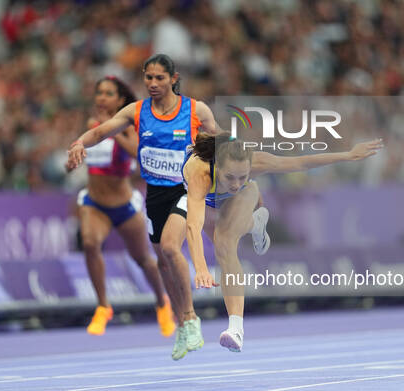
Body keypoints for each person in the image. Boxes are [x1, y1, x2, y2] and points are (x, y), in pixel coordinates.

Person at [66, 54, 220, 360]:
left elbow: (222, 144)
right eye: (148, 78)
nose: (152, 83)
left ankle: (190, 319)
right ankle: (179, 321)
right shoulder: (136, 112)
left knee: (170, 248)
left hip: (186, 189)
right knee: (162, 260)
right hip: (155, 194)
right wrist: (79, 144)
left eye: (159, 78)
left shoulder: (196, 110)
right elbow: (99, 132)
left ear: (173, 79)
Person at [181, 133, 384, 352]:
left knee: (225, 243)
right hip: (206, 196)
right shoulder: (200, 175)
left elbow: (300, 163)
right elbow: (193, 224)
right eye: (230, 177)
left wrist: (349, 155)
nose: (236, 183)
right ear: (218, 167)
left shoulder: (253, 167)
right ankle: (256, 223)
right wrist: (200, 268)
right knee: (214, 232)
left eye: (242, 175)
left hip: (243, 197)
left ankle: (235, 329)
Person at [74, 76, 174, 337]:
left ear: (120, 100)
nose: (102, 98)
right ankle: (103, 306)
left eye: (108, 93)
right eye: (99, 92)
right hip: (95, 204)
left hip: (124, 206)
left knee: (143, 259)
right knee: (89, 243)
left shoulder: (129, 125)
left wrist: (113, 131)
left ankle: (162, 303)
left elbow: (138, 153)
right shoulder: (90, 125)